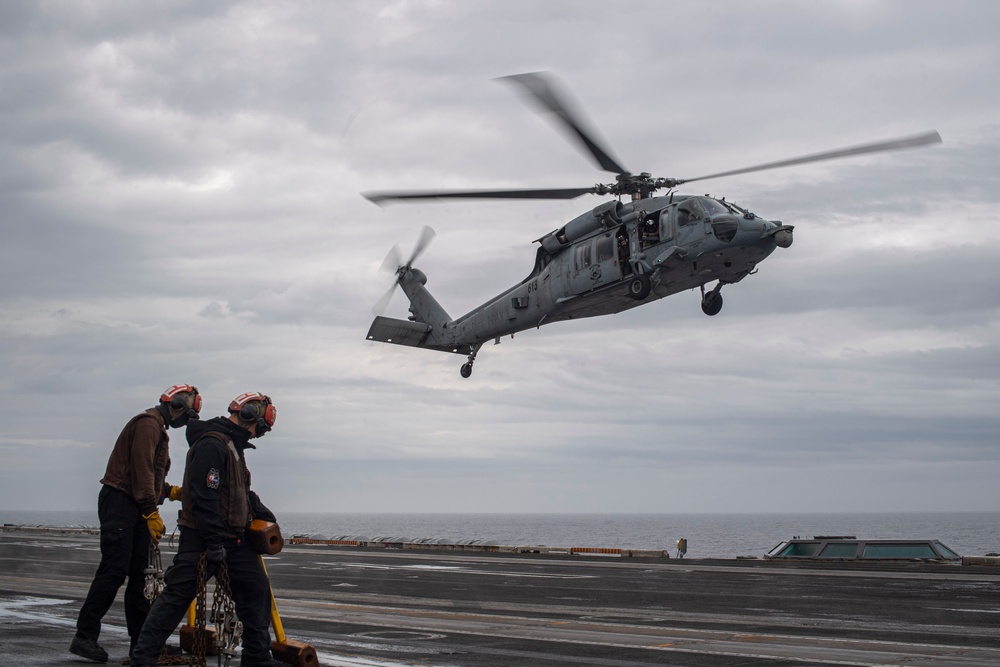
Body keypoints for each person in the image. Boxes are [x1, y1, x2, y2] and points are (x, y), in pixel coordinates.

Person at [130, 392, 279, 667]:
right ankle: (143, 659)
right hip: (203, 538)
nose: (258, 435)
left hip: (235, 539)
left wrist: (257, 510)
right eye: (260, 428)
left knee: (256, 592)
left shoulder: (232, 445)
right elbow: (204, 496)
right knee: (175, 599)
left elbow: (235, 490)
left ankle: (257, 657)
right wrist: (212, 543)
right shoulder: (213, 444)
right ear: (249, 415)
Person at [71, 384, 202, 663]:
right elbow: (141, 470)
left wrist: (168, 492)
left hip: (134, 503)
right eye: (187, 416)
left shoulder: (157, 427)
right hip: (121, 503)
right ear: (177, 406)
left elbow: (147, 476)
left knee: (141, 575)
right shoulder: (148, 425)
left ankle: (141, 644)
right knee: (113, 571)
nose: (184, 423)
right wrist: (150, 510)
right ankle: (84, 636)